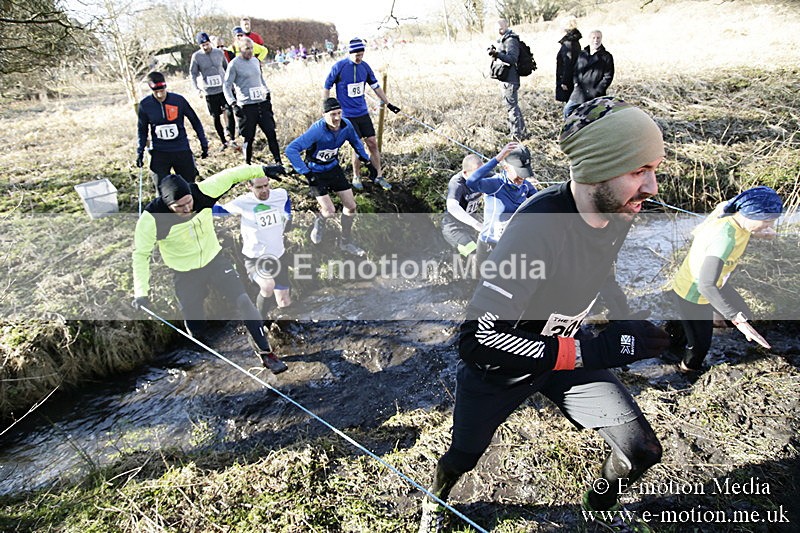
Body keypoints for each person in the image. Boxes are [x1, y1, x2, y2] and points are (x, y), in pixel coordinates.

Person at [418, 97, 671, 533]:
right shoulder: (538, 227)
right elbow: (478, 339)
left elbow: (601, 266)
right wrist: (592, 351)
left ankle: (599, 504)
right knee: (463, 456)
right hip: (503, 367)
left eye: (655, 169)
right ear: (597, 169)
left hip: (564, 354)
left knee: (642, 450)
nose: (652, 187)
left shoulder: (618, 209)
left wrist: (622, 318)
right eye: (638, 171)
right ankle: (435, 501)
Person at [131, 164, 288, 375]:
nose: (187, 209)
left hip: (215, 260)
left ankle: (266, 353)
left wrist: (262, 170)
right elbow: (141, 254)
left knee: (243, 300)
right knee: (195, 324)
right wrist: (141, 292)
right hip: (185, 272)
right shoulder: (151, 219)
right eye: (179, 207)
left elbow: (232, 174)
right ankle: (206, 358)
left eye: (189, 202)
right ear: (168, 205)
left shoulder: (203, 191)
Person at [666, 186, 781, 373]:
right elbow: (705, 286)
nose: (770, 226)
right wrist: (738, 321)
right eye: (767, 221)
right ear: (751, 214)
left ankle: (691, 324)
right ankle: (684, 372)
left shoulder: (735, 214)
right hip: (693, 293)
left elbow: (746, 225)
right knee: (699, 350)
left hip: (718, 282)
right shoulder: (724, 239)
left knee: (744, 315)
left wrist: (762, 232)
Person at [285, 98, 376, 256]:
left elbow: (356, 142)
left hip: (333, 168)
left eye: (339, 113)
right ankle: (320, 220)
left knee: (351, 206)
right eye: (332, 114)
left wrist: (367, 162)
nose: (337, 118)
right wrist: (305, 172)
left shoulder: (346, 125)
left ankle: (345, 242)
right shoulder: (317, 131)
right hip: (315, 172)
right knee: (330, 210)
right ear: (324, 115)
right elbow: (291, 149)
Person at [323, 37, 400, 191]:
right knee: (358, 146)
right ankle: (356, 176)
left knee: (372, 143)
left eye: (361, 54)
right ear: (350, 53)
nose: (359, 58)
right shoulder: (339, 67)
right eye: (356, 55)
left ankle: (378, 176)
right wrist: (326, 109)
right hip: (347, 115)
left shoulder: (365, 67)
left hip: (362, 113)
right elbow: (327, 87)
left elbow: (376, 86)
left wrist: (388, 103)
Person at [216, 173, 293, 322]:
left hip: (279, 256)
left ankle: (283, 329)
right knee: (268, 285)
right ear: (249, 186)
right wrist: (199, 202)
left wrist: (288, 216)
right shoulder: (243, 202)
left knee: (284, 301)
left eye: (266, 185)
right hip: (255, 259)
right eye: (259, 187)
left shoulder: (280, 194)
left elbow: (287, 200)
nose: (264, 190)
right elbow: (219, 211)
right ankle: (259, 323)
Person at [466, 142, 537, 268]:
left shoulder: (526, 186)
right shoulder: (495, 184)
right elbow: (471, 182)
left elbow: (539, 203)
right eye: (519, 172)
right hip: (489, 245)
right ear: (506, 168)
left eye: (525, 173)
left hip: (511, 244)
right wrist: (497, 158)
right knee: (481, 278)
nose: (522, 178)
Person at [136, 71, 208, 192]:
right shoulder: (145, 105)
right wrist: (140, 151)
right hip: (160, 152)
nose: (160, 95)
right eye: (156, 91)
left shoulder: (178, 100)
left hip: (181, 149)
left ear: (165, 86)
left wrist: (203, 143)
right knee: (162, 190)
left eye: (162, 90)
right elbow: (142, 130)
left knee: (189, 187)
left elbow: (195, 121)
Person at [223, 38, 285, 168]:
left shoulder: (255, 61)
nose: (250, 51)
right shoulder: (234, 64)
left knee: (271, 133)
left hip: (261, 103)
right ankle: (247, 164)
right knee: (249, 137)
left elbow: (260, 78)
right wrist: (233, 103)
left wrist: (267, 92)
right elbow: (226, 86)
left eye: (251, 48)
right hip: (246, 106)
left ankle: (278, 162)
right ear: (240, 49)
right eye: (247, 48)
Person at [190, 32, 237, 152]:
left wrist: (231, 84)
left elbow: (227, 68)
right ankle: (223, 141)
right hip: (210, 92)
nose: (206, 47)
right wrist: (197, 89)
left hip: (223, 89)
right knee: (216, 117)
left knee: (229, 112)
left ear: (210, 43)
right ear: (199, 46)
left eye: (207, 44)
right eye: (203, 45)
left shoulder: (219, 53)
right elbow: (193, 74)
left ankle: (232, 138)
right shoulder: (196, 57)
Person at [488, 19, 528, 141]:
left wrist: (498, 54)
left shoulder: (511, 40)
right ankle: (522, 132)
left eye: (501, 27)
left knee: (511, 108)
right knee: (513, 106)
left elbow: (512, 59)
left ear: (507, 26)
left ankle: (516, 135)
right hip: (506, 79)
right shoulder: (503, 39)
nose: (499, 30)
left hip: (511, 80)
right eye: (497, 28)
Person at [564, 30, 614, 117]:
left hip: (595, 93)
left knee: (591, 116)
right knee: (567, 110)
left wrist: (598, 90)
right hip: (579, 91)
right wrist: (576, 83)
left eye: (598, 38)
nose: (596, 40)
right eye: (593, 38)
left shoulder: (606, 56)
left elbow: (608, 76)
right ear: (589, 39)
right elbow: (576, 70)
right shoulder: (582, 54)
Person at [442, 154, 483, 258]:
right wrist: (475, 223)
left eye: (483, 172)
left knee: (486, 251)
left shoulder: (484, 175)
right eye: (477, 173)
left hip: (469, 226)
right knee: (474, 254)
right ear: (465, 173)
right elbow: (452, 207)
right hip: (453, 228)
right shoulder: (457, 183)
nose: (481, 176)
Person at [555, 24, 582, 104]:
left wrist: (564, 82)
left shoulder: (568, 44)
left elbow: (568, 64)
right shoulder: (574, 41)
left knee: (570, 105)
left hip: (569, 80)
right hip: (573, 78)